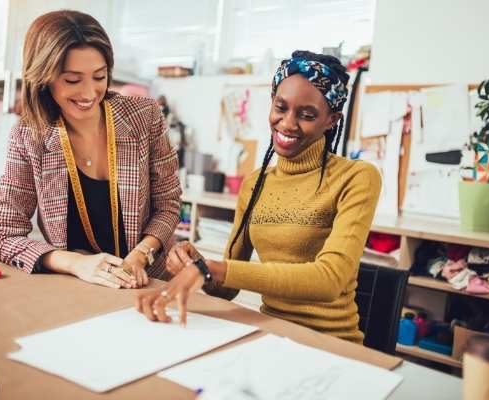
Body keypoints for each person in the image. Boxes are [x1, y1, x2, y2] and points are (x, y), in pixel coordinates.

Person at [135, 50, 381, 343]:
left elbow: (329, 280)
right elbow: (225, 289)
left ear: (331, 120)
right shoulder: (255, 184)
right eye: (281, 107)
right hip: (269, 334)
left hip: (330, 341)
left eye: (307, 115)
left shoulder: (357, 177)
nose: (288, 123)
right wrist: (197, 263)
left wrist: (212, 268)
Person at [0, 10, 181, 289]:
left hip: (151, 281)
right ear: (44, 78)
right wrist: (75, 263)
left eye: (99, 76)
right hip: (80, 287)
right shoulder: (29, 136)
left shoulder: (144, 116)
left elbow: (168, 205)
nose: (90, 93)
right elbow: (6, 235)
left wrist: (141, 254)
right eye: (72, 80)